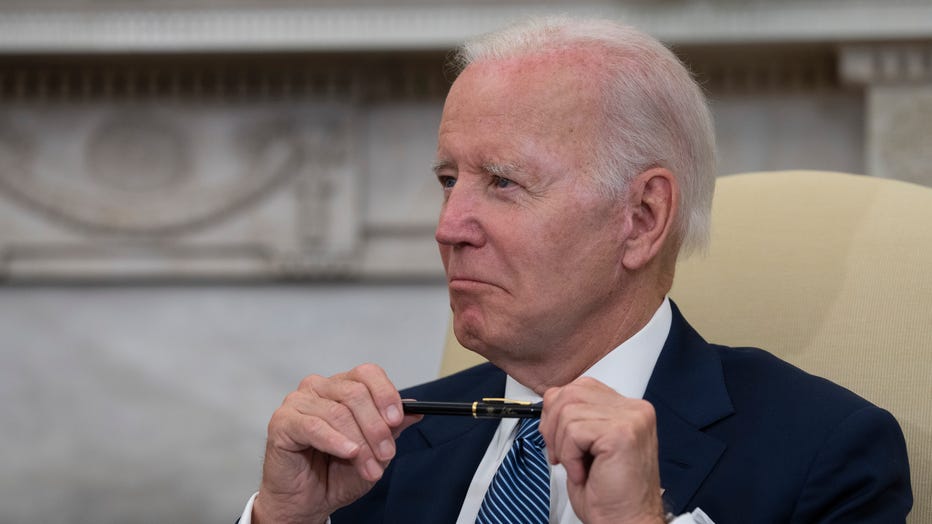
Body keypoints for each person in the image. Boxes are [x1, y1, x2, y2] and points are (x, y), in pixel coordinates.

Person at [239, 16, 912, 524]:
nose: (448, 228)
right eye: (449, 179)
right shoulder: (380, 454)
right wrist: (281, 518)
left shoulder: (826, 453)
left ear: (643, 217)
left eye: (502, 182)